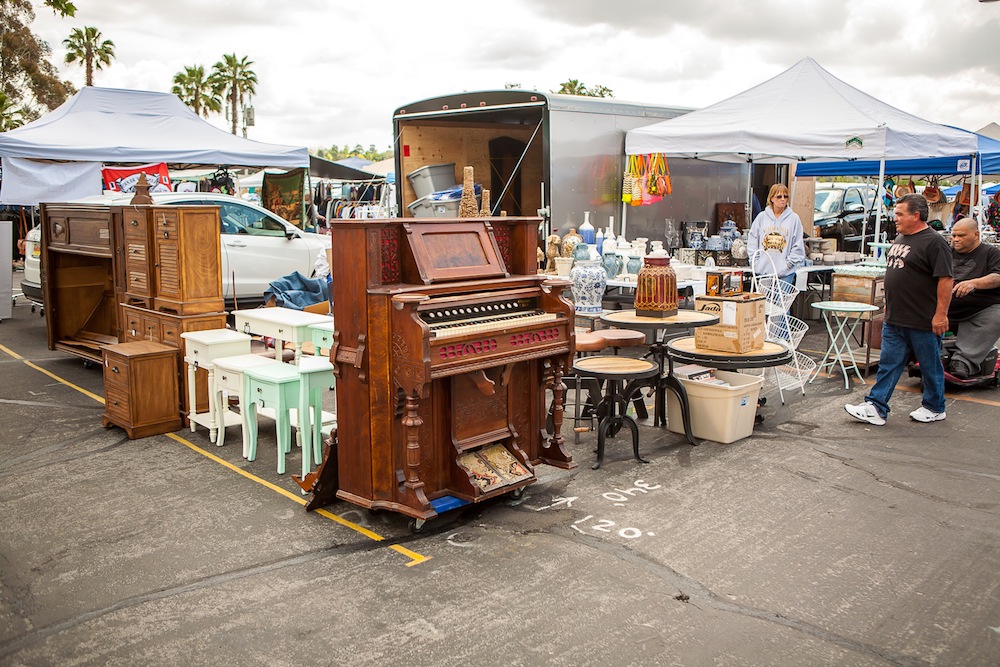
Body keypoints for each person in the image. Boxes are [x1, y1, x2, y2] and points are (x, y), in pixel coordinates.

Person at [845, 193, 953, 425]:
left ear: (916, 216)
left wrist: (941, 314)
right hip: (895, 317)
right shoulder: (901, 237)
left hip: (922, 319)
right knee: (888, 364)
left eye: (900, 214)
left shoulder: (934, 242)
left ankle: (935, 406)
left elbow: (946, 280)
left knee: (930, 365)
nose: (895, 218)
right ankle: (876, 406)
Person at [945, 217, 1000, 377]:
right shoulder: (946, 253)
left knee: (997, 316)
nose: (955, 239)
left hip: (980, 310)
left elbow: (997, 276)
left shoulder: (991, 253)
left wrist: (973, 283)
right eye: (954, 235)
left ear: (976, 235)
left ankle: (963, 361)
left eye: (961, 235)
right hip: (945, 308)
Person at [747, 183, 806, 280]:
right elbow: (753, 240)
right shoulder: (761, 217)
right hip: (763, 272)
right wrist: (756, 262)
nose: (783, 199)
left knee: (783, 296)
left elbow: (798, 244)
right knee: (765, 295)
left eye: (785, 196)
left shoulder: (794, 218)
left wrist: (788, 264)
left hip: (785, 274)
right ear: (771, 198)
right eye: (779, 196)